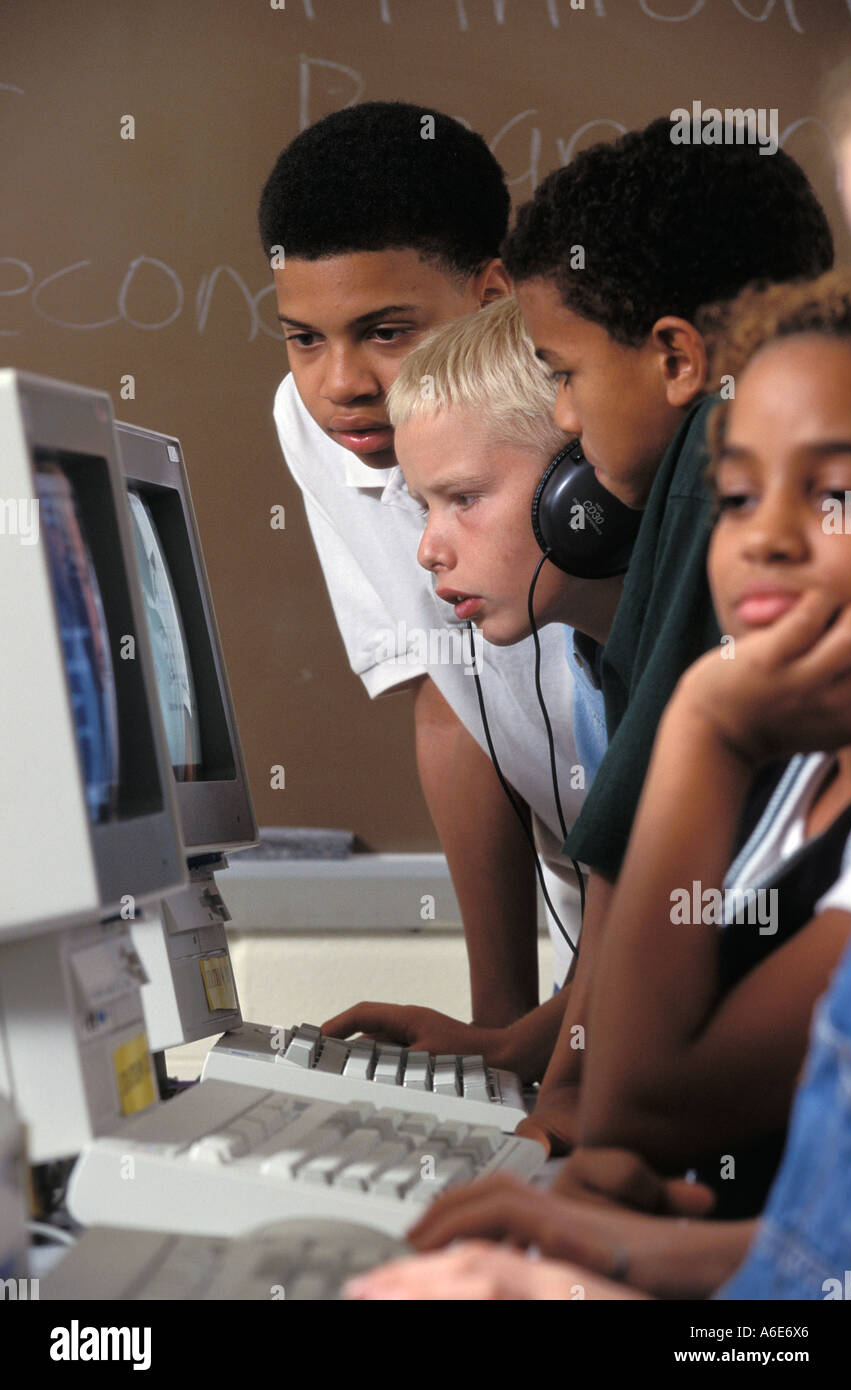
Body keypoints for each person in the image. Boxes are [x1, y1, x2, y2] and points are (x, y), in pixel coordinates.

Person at [346, 263, 851, 1297]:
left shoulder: (729, 731)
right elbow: (815, 1242)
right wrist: (615, 1241)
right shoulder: (800, 770)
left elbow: (643, 1099)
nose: (760, 536)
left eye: (836, 491)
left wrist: (704, 730)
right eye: (737, 495)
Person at [323, 118, 835, 1138]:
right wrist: (522, 1044)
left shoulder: (705, 467)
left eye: (562, 371)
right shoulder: (665, 552)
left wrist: (557, 1106)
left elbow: (632, 895)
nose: (565, 419)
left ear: (678, 359)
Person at [258, 100, 585, 1015]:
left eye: (387, 332)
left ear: (491, 302)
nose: (341, 386)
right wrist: (501, 1030)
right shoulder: (323, 424)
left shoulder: (591, 414)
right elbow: (449, 694)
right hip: (593, 946)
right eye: (303, 338)